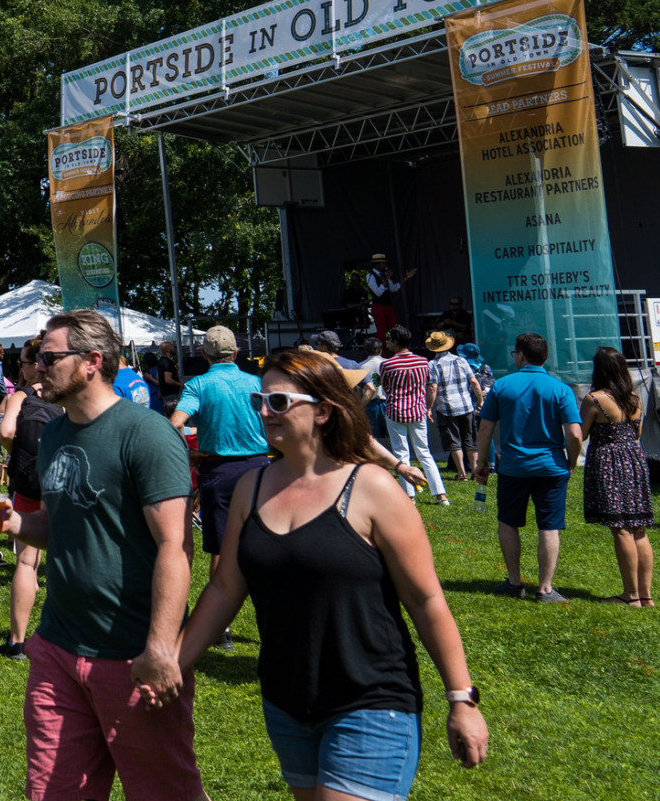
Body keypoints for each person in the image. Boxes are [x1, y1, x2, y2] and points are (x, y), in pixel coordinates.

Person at [178, 348, 489, 798]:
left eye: (278, 402)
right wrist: (175, 665)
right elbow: (226, 587)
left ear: (323, 411)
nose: (264, 411)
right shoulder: (253, 487)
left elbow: (426, 601)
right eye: (258, 401)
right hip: (286, 700)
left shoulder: (373, 488)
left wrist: (462, 700)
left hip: (370, 699)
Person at [0, 309, 200, 801]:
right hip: (57, 647)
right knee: (52, 792)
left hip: (130, 654)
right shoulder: (56, 435)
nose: (36, 366)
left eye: (48, 357)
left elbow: (176, 545)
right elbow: (63, 527)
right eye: (35, 357)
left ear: (91, 362)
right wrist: (18, 523)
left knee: (163, 792)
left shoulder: (146, 434)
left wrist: (162, 647)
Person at [169, 325, 270, 653]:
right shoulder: (256, 383)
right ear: (236, 354)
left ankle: (221, 627)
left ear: (204, 354)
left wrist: (189, 453)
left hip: (218, 473)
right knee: (265, 547)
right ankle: (271, 621)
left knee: (221, 551)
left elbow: (175, 424)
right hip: (259, 469)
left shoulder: (199, 384)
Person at [474, 332, 583, 603]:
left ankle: (514, 582)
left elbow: (486, 427)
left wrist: (482, 463)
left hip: (513, 467)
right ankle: (545, 589)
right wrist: (571, 460)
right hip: (551, 467)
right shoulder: (561, 389)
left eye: (514, 353)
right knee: (549, 526)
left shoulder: (501, 386)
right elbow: (575, 434)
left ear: (521, 355)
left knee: (509, 522)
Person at [0, 339, 61, 662]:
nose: (19, 367)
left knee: (26, 562)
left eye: (21, 361)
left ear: (34, 363)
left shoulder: (21, 395)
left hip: (28, 482)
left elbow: (5, 432)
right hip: (61, 480)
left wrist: (17, 455)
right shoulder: (66, 396)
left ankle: (17, 640)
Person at [579, 346, 654, 606]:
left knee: (620, 529)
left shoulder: (594, 399)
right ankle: (646, 595)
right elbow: (637, 433)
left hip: (609, 462)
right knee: (639, 528)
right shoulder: (634, 397)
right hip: (634, 459)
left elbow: (583, 433)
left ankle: (630, 595)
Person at [379, 325, 446, 504]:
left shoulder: (386, 364)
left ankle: (409, 496)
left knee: (402, 454)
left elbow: (385, 388)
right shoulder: (424, 362)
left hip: (395, 411)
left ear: (394, 341)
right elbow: (430, 386)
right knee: (424, 452)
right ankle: (440, 495)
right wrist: (428, 407)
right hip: (418, 411)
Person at [425, 331, 483, 480]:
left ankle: (462, 473)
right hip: (465, 405)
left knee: (454, 442)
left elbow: (433, 388)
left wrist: (429, 408)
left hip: (446, 408)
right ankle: (475, 471)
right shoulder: (461, 360)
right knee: (470, 440)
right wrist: (480, 400)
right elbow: (474, 382)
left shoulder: (433, 364)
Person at [365, 253, 415, 340]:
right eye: (383, 263)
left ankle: (395, 350)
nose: (385, 265)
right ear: (378, 264)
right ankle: (382, 352)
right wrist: (387, 278)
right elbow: (378, 292)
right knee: (381, 331)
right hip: (378, 306)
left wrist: (406, 278)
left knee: (394, 329)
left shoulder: (384, 274)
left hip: (388, 305)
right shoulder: (370, 276)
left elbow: (393, 288)